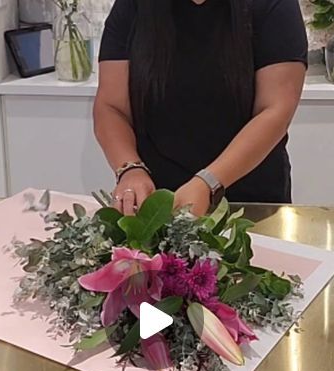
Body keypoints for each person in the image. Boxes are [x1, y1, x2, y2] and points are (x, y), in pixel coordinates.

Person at [94, 0, 308, 216]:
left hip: (250, 200)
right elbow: (111, 107)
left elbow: (275, 109)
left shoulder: (272, 5)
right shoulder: (135, 6)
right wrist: (130, 169)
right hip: (156, 200)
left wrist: (208, 182)